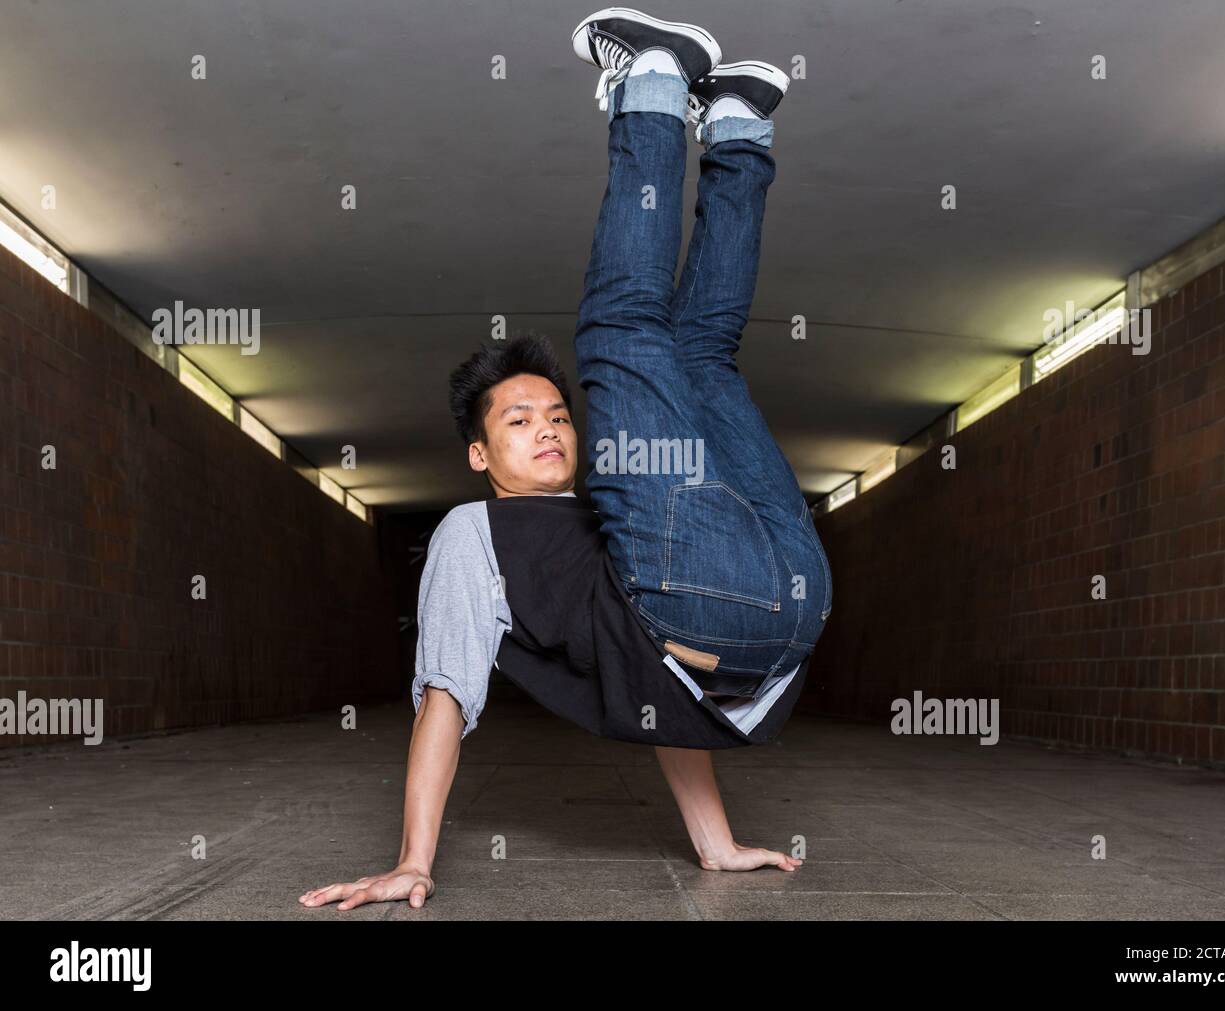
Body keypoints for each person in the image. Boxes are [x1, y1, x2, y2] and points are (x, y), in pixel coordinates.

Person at [300, 7, 831, 911]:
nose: (549, 427)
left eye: (556, 415)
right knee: (623, 324)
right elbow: (444, 696)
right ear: (478, 453)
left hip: (787, 601)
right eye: (517, 420)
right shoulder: (475, 534)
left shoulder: (622, 527)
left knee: (702, 358)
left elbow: (657, 683)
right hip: (750, 621)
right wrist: (414, 857)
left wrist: (716, 844)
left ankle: (740, 121)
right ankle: (657, 78)